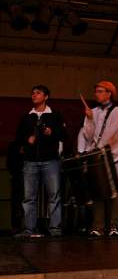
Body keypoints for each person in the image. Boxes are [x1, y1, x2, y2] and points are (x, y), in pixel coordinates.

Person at [15, 85, 66, 237]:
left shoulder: (55, 115)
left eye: (38, 93)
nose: (34, 95)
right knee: (29, 197)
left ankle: (55, 229)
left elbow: (64, 135)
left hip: (50, 160)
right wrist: (27, 140)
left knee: (54, 195)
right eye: (32, 93)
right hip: (30, 161)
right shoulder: (27, 117)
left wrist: (52, 132)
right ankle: (29, 229)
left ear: (46, 97)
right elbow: (18, 139)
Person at [82, 81, 118, 237]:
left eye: (100, 91)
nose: (97, 94)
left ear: (109, 93)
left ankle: (114, 225)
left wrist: (98, 149)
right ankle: (98, 226)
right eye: (96, 91)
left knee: (115, 191)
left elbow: (112, 134)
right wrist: (88, 119)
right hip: (97, 156)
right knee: (98, 191)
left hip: (114, 155)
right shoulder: (93, 111)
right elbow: (88, 135)